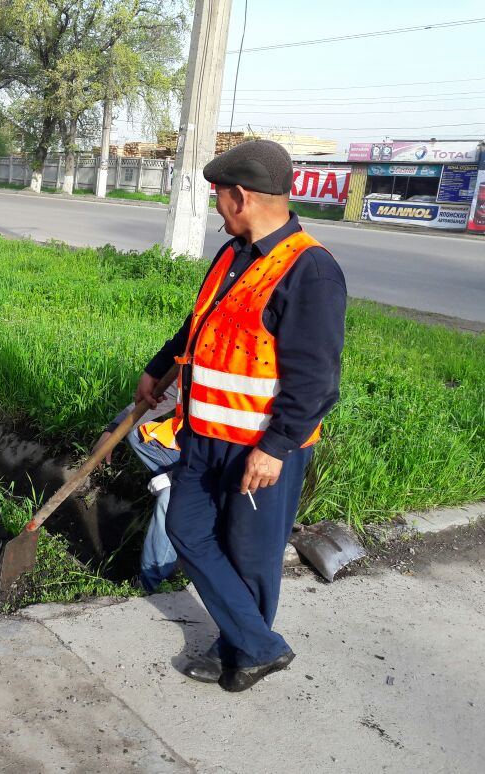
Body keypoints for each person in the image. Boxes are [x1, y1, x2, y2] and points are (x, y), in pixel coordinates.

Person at [136, 139, 346, 692]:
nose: (215, 208)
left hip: (259, 447)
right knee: (187, 529)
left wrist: (275, 448)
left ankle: (239, 649)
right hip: (204, 433)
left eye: (217, 198)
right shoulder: (231, 255)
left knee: (250, 555)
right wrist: (159, 368)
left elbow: (317, 380)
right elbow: (199, 324)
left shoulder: (309, 271)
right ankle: (258, 645)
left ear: (239, 196)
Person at [93, 387, 181, 592]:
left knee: (171, 499)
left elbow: (225, 450)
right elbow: (158, 398)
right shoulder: (194, 364)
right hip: (195, 451)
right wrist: (112, 431)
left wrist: (176, 478)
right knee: (135, 431)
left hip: (231, 471)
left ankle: (151, 585)